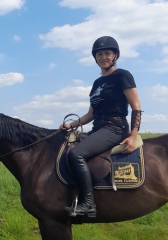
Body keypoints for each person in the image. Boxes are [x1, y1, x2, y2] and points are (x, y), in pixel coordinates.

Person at [60, 36, 142, 217]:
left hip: (115, 127)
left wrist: (133, 135)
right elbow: (90, 114)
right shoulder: (97, 84)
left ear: (115, 56)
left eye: (107, 53)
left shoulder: (122, 76)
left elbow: (136, 107)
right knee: (67, 148)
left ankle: (88, 204)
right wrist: (70, 125)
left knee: (77, 154)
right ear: (95, 58)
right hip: (98, 128)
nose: (103, 57)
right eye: (99, 54)